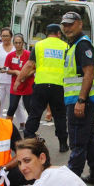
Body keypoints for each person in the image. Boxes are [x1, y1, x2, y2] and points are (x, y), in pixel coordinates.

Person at [60, 12, 94, 186]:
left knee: (78, 141)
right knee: (89, 138)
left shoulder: (82, 44)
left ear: (80, 24)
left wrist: (81, 101)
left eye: (70, 24)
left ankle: (71, 183)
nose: (66, 28)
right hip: (79, 100)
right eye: (64, 25)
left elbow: (89, 73)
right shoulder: (73, 45)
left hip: (81, 101)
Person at [17, 23, 68, 153]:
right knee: (60, 116)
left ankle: (28, 139)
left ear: (46, 33)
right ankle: (63, 144)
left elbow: (29, 65)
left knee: (35, 114)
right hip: (59, 86)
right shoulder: (66, 46)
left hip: (41, 85)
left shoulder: (39, 45)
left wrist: (19, 79)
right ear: (58, 34)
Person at [0, 28, 27, 129]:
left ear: (11, 37)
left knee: (17, 104)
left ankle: (23, 122)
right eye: (3, 36)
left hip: (13, 81)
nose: (5, 38)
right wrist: (3, 69)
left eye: (7, 36)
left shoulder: (16, 48)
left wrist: (9, 70)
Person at [5, 34, 34, 126]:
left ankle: (31, 129)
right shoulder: (10, 56)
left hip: (28, 85)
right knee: (12, 107)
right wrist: (15, 72)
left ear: (23, 43)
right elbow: (6, 70)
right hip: (15, 86)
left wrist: (25, 75)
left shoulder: (29, 54)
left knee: (29, 108)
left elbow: (35, 68)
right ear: (13, 44)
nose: (18, 45)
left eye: (20, 43)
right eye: (16, 43)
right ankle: (7, 128)